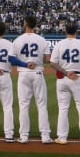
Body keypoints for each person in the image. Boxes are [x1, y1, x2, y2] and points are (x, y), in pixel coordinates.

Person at [49, 23, 80, 145]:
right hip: (77, 77)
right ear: (76, 32)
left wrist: (65, 72)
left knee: (63, 108)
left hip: (62, 78)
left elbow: (53, 63)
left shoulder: (59, 44)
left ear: (65, 31)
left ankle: (62, 137)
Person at [9, 15, 51, 144]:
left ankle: (24, 136)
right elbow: (48, 59)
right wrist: (37, 61)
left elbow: (11, 59)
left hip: (23, 73)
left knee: (24, 105)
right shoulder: (42, 40)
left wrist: (25, 64)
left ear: (26, 24)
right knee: (42, 105)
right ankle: (45, 136)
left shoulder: (17, 40)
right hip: (37, 72)